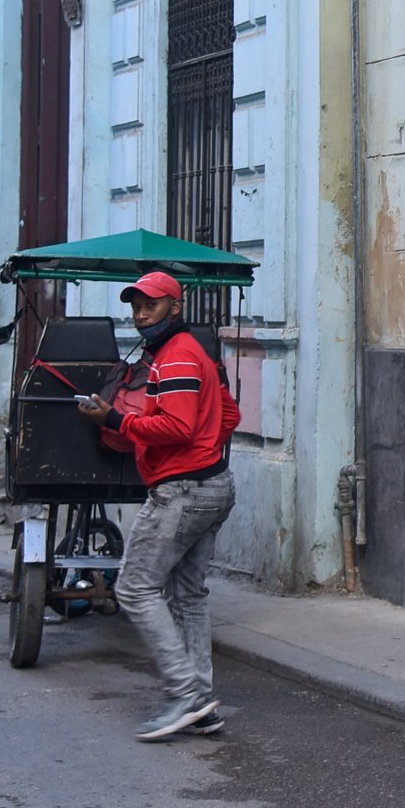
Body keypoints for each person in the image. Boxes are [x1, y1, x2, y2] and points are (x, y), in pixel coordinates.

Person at [77, 271, 239, 741]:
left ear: (175, 306)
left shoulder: (178, 357)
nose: (141, 314)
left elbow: (177, 428)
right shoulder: (190, 354)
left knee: (134, 589)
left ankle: (185, 693)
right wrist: (203, 446)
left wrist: (114, 418)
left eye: (150, 305)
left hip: (182, 491)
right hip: (210, 484)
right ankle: (202, 705)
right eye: (135, 306)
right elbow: (228, 415)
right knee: (188, 596)